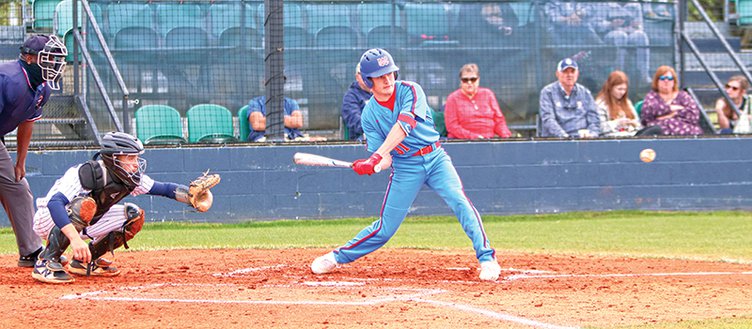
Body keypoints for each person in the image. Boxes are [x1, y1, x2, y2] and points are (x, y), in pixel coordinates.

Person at [310, 49, 501, 282]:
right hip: (405, 166)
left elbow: (404, 125)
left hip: (435, 158)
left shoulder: (411, 90)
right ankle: (337, 257)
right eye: (380, 76)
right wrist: (374, 165)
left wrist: (376, 156)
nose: (388, 79)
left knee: (460, 201)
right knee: (386, 228)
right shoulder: (369, 114)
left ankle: (487, 259)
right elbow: (387, 158)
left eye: (390, 73)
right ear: (369, 81)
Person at [31, 132, 219, 283]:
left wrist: (191, 196)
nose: (135, 163)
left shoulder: (129, 177)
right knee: (85, 205)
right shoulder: (89, 172)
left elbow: (163, 189)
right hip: (49, 219)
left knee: (133, 215)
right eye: (130, 158)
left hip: (82, 222)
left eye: (136, 158)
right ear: (114, 158)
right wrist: (75, 239)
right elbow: (55, 203)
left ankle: (83, 262)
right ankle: (46, 262)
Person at [0, 34, 67, 267]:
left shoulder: (42, 88)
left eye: (56, 60)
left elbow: (27, 122)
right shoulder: (8, 79)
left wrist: (20, 161)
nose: (55, 65)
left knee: (17, 187)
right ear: (29, 58)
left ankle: (30, 250)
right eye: (48, 59)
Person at [444, 63, 512, 139]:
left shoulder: (488, 94)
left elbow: (499, 120)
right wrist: (475, 138)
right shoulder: (452, 98)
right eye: (465, 80)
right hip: (462, 142)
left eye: (473, 79)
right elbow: (452, 126)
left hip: (488, 140)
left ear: (478, 79)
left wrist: (505, 136)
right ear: (461, 81)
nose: (469, 82)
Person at [539, 57, 600, 138]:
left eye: (572, 71)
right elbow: (548, 119)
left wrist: (592, 135)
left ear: (577, 74)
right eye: (565, 72)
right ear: (557, 74)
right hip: (557, 141)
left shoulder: (585, 93)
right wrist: (565, 137)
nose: (569, 75)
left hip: (582, 142)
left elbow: (594, 120)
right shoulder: (547, 92)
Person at [591, 2, 651, 84]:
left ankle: (644, 76)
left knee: (641, 36)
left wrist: (631, 28)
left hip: (630, 33)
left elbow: (640, 27)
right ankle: (618, 76)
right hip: (609, 35)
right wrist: (611, 24)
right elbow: (597, 25)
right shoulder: (604, 4)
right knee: (620, 36)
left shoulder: (635, 5)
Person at [595, 71, 662, 137]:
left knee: (656, 129)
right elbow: (600, 128)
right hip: (614, 137)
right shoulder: (601, 104)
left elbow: (638, 123)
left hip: (632, 135)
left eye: (624, 89)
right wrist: (617, 123)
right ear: (610, 87)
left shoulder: (627, 102)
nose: (622, 92)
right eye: (619, 89)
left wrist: (632, 123)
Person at [640, 66, 703, 136]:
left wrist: (669, 115)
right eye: (662, 78)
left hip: (684, 131)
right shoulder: (651, 96)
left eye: (670, 78)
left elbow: (694, 114)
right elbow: (647, 113)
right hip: (659, 132)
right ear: (657, 81)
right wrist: (670, 108)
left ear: (674, 81)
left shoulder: (683, 96)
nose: (666, 81)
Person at [341, 63, 372, 141]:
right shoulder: (351, 97)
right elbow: (355, 122)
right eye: (364, 75)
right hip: (361, 140)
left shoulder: (381, 93)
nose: (367, 78)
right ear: (357, 77)